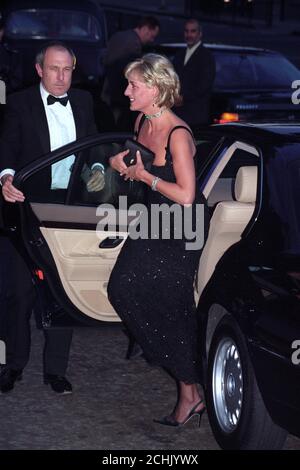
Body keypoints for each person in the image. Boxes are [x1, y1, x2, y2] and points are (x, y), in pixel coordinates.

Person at [107, 53, 209, 426]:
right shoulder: (141, 120)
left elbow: (185, 194)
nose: (126, 91)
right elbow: (135, 164)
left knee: (167, 302)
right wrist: (120, 165)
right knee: (122, 289)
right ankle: (188, 384)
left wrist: (143, 177)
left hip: (183, 225)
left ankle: (188, 392)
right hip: (153, 218)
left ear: (155, 88)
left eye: (133, 84)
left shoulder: (178, 134)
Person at [0, 42, 102, 394]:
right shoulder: (19, 102)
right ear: (39, 70)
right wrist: (5, 177)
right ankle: (13, 363)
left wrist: (99, 173)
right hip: (26, 208)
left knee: (64, 292)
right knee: (17, 291)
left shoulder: (86, 101)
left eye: (67, 69)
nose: (61, 77)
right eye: (54, 69)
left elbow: (94, 150)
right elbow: (7, 150)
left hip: (70, 210)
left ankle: (55, 370)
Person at [101, 16, 160, 130]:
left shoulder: (118, 36)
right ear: (146, 29)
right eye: (152, 36)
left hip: (107, 90)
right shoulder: (134, 45)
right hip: (120, 96)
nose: (151, 40)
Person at [173, 18, 215, 129]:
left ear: (200, 34)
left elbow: (204, 85)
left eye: (193, 31)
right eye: (186, 31)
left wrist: (183, 97)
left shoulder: (206, 56)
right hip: (178, 114)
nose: (189, 34)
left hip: (195, 117)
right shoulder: (179, 54)